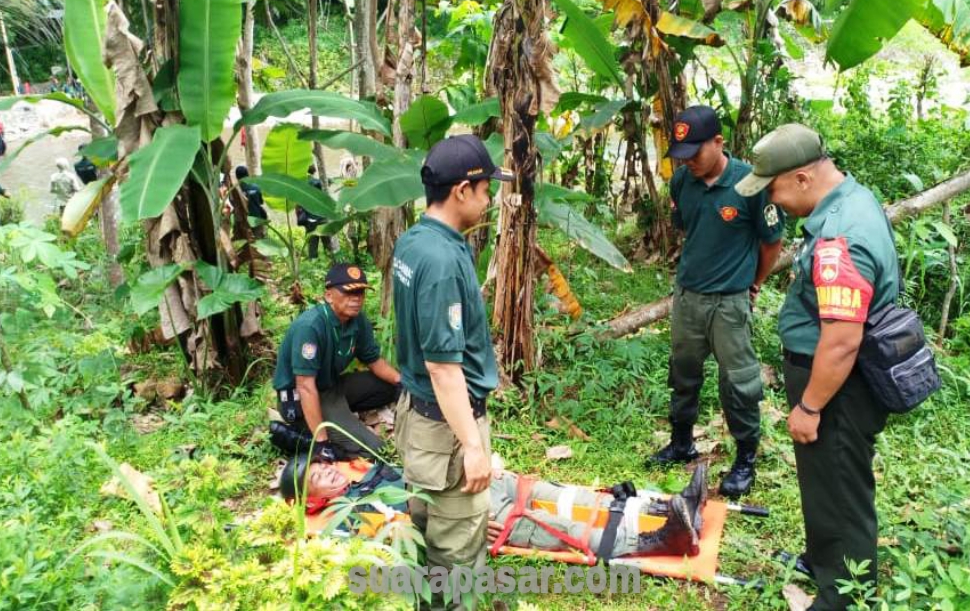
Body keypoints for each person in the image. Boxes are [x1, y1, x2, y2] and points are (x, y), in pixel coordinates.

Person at [735, 123, 898, 611]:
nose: (773, 201)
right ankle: (822, 558)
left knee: (842, 489)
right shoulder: (847, 202)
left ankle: (842, 597)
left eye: (775, 189)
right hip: (829, 379)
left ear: (802, 179)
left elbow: (843, 341)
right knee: (823, 479)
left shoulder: (841, 235)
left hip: (837, 385)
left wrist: (809, 406)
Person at [391, 135, 513, 588]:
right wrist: (474, 448)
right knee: (457, 550)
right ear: (462, 190)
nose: (489, 199)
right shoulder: (441, 259)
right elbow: (443, 365)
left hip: (419, 421)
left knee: (427, 534)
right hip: (445, 430)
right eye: (486, 190)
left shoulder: (414, 241)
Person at [648, 105, 784, 500]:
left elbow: (772, 242)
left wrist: (753, 284)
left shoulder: (751, 185)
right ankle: (681, 442)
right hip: (688, 297)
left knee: (738, 382)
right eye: (682, 155)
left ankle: (744, 460)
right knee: (683, 374)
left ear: (718, 143)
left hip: (729, 302)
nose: (688, 161)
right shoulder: (682, 183)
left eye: (695, 153)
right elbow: (688, 229)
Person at [280, 457, 708, 561]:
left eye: (322, 466)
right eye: (318, 478)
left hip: (472, 484)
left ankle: (658, 507)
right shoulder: (350, 517)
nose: (328, 473)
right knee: (552, 527)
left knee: (563, 496)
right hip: (463, 515)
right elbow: (398, 537)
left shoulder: (365, 471)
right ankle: (660, 539)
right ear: (314, 501)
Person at [270, 263, 401, 460]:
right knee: (377, 450)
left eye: (360, 293)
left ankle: (341, 419)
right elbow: (305, 386)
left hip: (332, 387)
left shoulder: (357, 321)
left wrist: (403, 383)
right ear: (329, 295)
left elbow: (373, 361)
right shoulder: (311, 327)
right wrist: (321, 443)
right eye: (349, 293)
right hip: (301, 399)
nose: (356, 299)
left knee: (393, 386)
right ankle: (308, 439)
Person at [295, 165, 334, 260]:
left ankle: (313, 261)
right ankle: (331, 261)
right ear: (314, 171)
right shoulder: (318, 182)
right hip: (322, 217)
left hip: (309, 219)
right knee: (327, 243)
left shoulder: (301, 184)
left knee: (312, 244)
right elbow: (330, 181)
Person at [234, 165, 268, 237]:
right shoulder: (256, 187)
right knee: (259, 241)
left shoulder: (235, 190)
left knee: (246, 242)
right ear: (248, 175)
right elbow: (261, 202)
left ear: (237, 177)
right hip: (256, 219)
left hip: (242, 221)